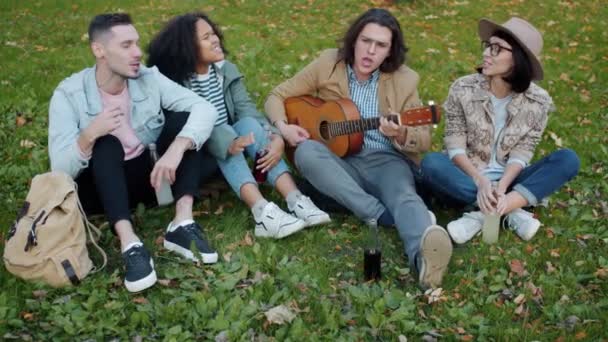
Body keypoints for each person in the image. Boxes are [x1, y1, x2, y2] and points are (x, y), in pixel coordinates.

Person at [264, 8, 452, 289]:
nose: (370, 51)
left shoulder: (405, 79)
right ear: (354, 40)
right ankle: (380, 213)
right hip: (338, 160)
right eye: (366, 41)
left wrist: (400, 132)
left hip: (385, 160)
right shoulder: (329, 63)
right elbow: (276, 95)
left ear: (390, 51)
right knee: (305, 152)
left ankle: (423, 262)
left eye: (381, 45)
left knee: (404, 196)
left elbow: (423, 137)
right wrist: (284, 126)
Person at [48, 13, 220, 293]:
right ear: (99, 50)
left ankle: (182, 222)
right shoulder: (69, 94)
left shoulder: (149, 78)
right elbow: (60, 171)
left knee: (182, 123)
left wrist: (177, 148)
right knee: (105, 143)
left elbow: (204, 109)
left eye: (137, 43)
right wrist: (89, 134)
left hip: (151, 180)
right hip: (101, 190)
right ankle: (130, 244)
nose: (138, 53)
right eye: (126, 45)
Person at [147, 12, 330, 239]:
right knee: (225, 130)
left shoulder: (226, 71)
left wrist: (274, 137)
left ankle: (295, 199)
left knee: (246, 123)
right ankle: (262, 212)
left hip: (236, 142)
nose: (215, 39)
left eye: (213, 33)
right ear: (188, 47)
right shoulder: (176, 83)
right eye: (206, 37)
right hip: (196, 158)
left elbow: (247, 110)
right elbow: (192, 126)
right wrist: (228, 142)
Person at [420, 17, 580, 244]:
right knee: (431, 164)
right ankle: (511, 209)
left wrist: (503, 185)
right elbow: (454, 144)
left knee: (568, 159)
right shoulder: (462, 88)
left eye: (496, 49)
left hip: (511, 180)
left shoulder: (538, 101)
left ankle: (485, 213)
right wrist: (481, 182)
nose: (487, 53)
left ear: (518, 59)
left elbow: (523, 152)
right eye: (487, 46)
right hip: (467, 178)